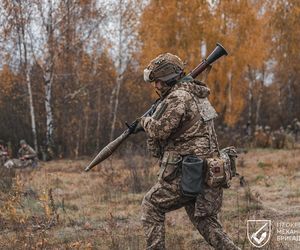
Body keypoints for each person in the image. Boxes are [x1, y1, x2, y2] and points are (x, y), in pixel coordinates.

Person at [134, 53, 239, 249]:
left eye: (157, 81)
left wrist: (144, 121)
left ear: (167, 79)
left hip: (187, 172)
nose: (156, 86)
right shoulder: (197, 94)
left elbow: (160, 131)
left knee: (151, 206)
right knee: (206, 222)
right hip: (207, 171)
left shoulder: (177, 97)